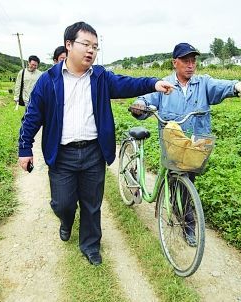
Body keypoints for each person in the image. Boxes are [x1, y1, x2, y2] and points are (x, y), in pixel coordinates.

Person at [17, 21, 174, 266]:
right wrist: (25, 149)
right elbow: (32, 117)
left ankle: (90, 245)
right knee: (63, 203)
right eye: (86, 44)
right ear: (69, 45)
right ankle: (66, 221)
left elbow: (126, 83)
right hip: (62, 154)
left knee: (92, 204)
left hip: (92, 152)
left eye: (95, 46)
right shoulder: (48, 81)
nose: (91, 50)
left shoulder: (100, 77)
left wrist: (153, 83)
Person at [131, 42, 241, 246]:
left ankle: (183, 215)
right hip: (173, 145)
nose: (191, 65)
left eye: (193, 61)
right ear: (175, 63)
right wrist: (140, 105)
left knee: (188, 182)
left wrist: (235, 87)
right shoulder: (165, 86)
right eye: (186, 61)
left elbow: (220, 86)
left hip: (196, 146)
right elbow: (147, 98)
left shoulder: (203, 84)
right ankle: (188, 223)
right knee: (176, 178)